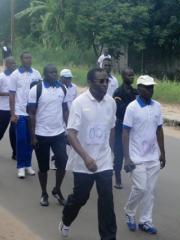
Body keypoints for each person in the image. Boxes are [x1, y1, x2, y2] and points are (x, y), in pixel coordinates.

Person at [60, 68, 117, 239]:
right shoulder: (79, 103)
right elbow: (71, 134)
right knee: (80, 197)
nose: (105, 84)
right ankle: (66, 219)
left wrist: (111, 152)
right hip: (83, 161)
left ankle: (108, 237)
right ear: (90, 83)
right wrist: (86, 157)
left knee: (107, 200)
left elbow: (112, 128)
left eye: (106, 81)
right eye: (101, 81)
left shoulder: (111, 103)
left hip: (104, 159)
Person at [122, 75, 166, 234]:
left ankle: (145, 221)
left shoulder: (157, 106)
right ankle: (129, 211)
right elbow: (125, 132)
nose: (150, 90)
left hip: (153, 156)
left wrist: (162, 153)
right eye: (147, 87)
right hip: (136, 156)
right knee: (140, 188)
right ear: (139, 88)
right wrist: (127, 158)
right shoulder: (132, 107)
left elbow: (159, 130)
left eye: (152, 87)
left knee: (150, 191)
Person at [28, 64, 69, 206]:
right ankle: (44, 193)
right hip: (41, 134)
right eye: (51, 72)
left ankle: (57, 189)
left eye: (56, 72)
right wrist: (33, 136)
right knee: (44, 167)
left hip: (58, 133)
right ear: (45, 74)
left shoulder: (62, 88)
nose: (54, 74)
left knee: (63, 163)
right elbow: (31, 114)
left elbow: (65, 110)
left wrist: (68, 129)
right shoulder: (36, 89)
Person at [9, 52, 41, 178]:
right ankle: (21, 166)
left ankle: (28, 164)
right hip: (20, 112)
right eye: (26, 58)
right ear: (21, 60)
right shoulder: (15, 75)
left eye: (30, 57)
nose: (28, 59)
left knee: (31, 140)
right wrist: (12, 114)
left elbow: (40, 93)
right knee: (21, 140)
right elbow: (11, 95)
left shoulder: (36, 74)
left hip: (32, 113)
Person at [112, 68, 137, 189]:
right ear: (123, 77)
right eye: (129, 75)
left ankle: (136, 177)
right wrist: (133, 107)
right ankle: (117, 176)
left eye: (133, 75)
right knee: (119, 153)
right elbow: (119, 110)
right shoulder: (118, 92)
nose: (131, 77)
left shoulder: (136, 92)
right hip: (121, 126)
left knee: (134, 151)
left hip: (133, 127)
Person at [0, 57, 17, 159]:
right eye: (11, 64)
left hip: (15, 108)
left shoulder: (16, 76)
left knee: (14, 131)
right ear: (6, 64)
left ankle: (15, 152)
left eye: (14, 63)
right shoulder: (1, 77)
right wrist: (9, 94)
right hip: (4, 108)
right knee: (1, 129)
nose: (14, 65)